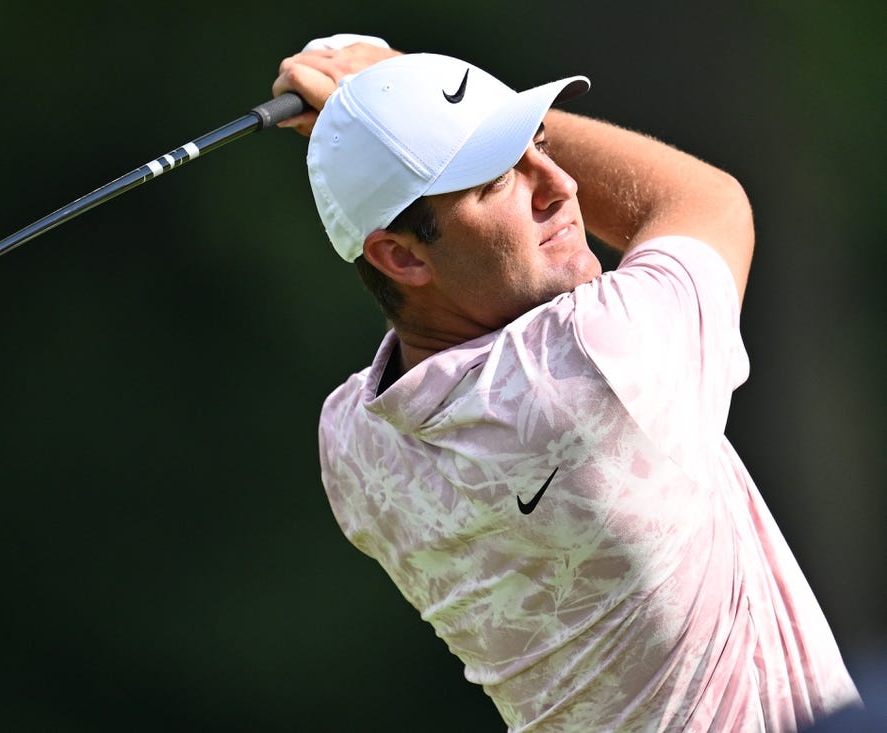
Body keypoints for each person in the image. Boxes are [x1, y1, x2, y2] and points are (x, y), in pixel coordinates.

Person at [271, 34, 863, 731]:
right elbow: (709, 201)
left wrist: (373, 127)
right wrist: (389, 83)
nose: (560, 185)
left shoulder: (352, 450)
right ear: (399, 255)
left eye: (541, 145)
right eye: (498, 181)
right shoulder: (594, 356)